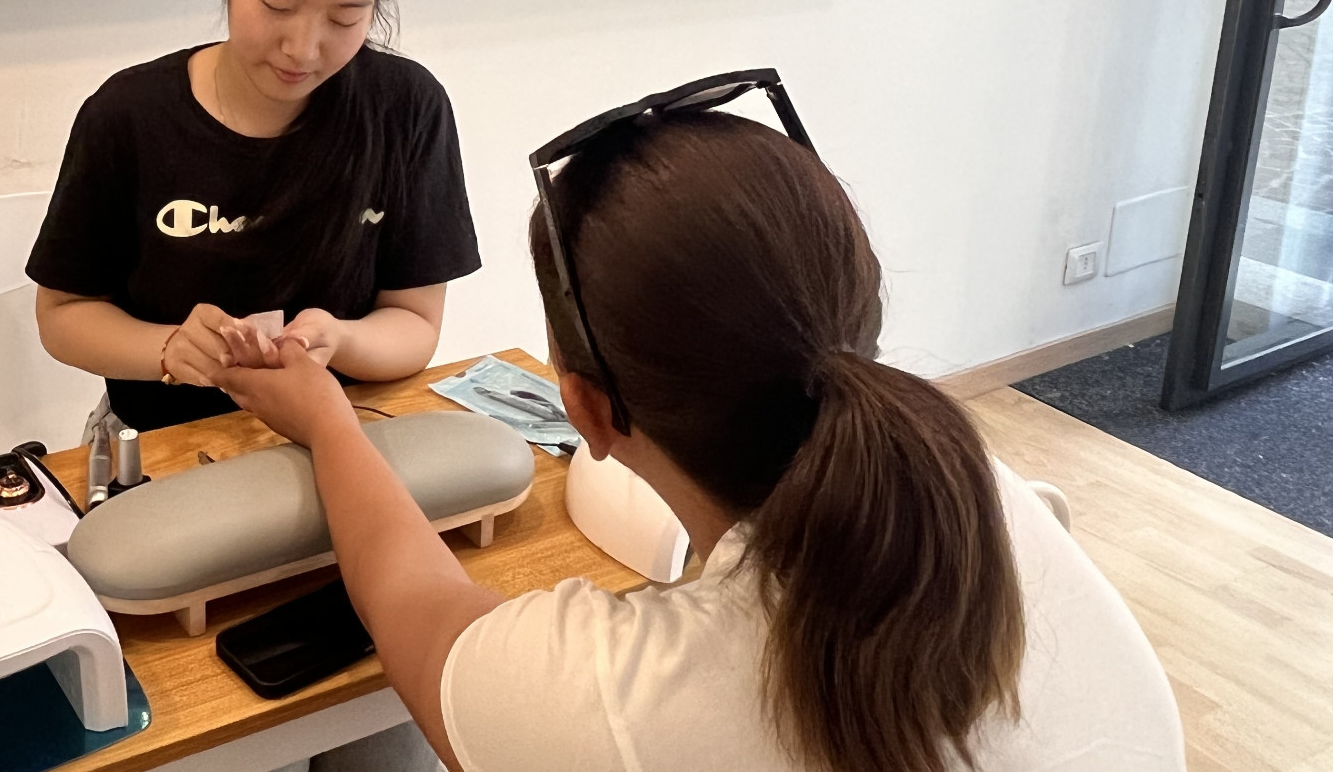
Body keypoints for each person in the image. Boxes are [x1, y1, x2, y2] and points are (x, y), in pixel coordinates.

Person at [214, 79, 1185, 772]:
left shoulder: (620, 699)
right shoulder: (982, 497)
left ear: (586, 410)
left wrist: (327, 420)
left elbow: (414, 608)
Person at [28, 0, 481, 433]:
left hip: (345, 432)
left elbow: (415, 323)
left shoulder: (406, 108)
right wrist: (169, 349)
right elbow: (64, 314)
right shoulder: (128, 116)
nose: (303, 49)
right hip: (160, 440)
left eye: (345, 17)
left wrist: (340, 339)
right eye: (277, 4)